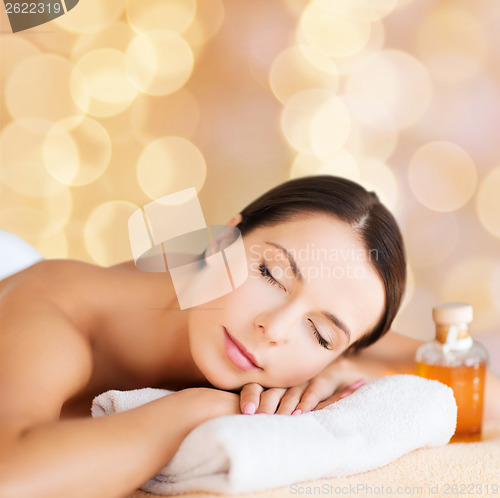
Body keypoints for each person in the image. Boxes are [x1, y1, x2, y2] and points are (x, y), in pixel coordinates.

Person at [0, 175, 498, 498]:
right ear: (221, 240)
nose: (275, 328)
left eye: (321, 333)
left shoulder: (290, 335)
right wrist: (193, 409)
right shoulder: (55, 308)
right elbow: (14, 477)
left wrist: (342, 368)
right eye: (271, 274)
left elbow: (486, 392)